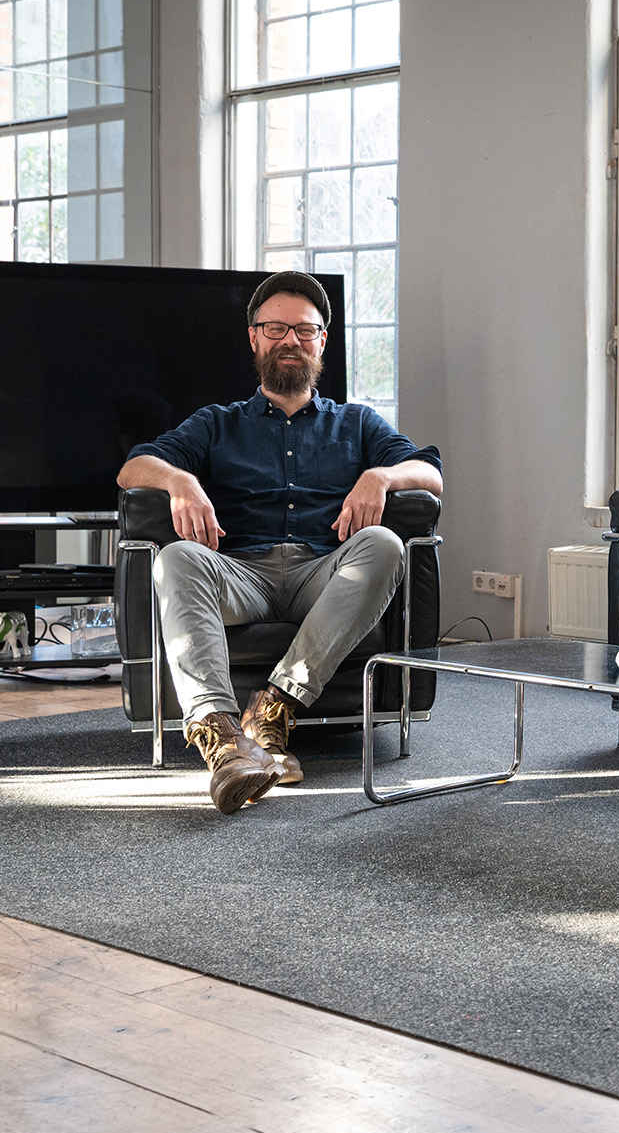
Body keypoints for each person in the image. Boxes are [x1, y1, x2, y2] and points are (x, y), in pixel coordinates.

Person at [118, 271, 443, 815]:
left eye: (303, 330)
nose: (289, 340)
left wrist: (381, 478)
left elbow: (430, 475)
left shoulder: (357, 423)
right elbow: (133, 468)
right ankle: (222, 740)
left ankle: (272, 710)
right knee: (176, 557)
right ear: (254, 338)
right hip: (240, 573)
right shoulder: (215, 423)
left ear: (321, 342)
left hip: (323, 571)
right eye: (275, 329)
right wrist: (180, 480)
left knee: (384, 544)